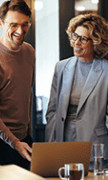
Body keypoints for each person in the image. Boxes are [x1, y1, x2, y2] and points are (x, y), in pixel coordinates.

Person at [45, 13, 108, 169]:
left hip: (94, 148)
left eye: (84, 39)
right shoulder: (61, 67)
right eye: (75, 36)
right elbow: (52, 111)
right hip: (63, 147)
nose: (76, 43)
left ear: (95, 42)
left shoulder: (106, 70)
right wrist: (51, 146)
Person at [0, 0, 35, 169]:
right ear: (0, 23)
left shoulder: (29, 51)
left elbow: (27, 95)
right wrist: (15, 143)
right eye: (13, 25)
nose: (20, 31)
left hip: (25, 141)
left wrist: (27, 136)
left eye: (25, 25)